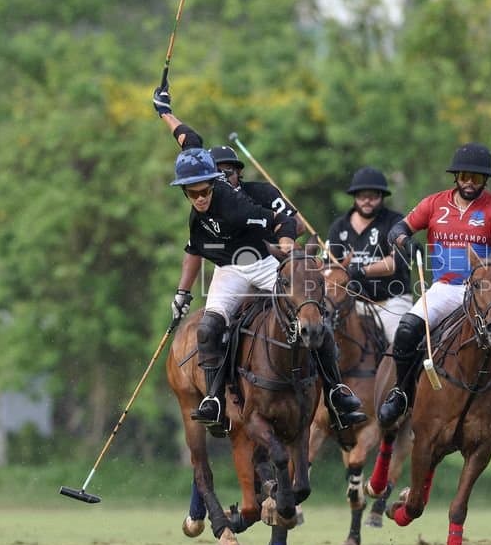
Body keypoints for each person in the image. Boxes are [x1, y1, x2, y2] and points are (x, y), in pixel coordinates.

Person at [154, 85, 367, 436]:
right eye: (192, 194)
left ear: (213, 182)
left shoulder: (238, 206)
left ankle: (336, 394)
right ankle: (215, 403)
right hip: (230, 269)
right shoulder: (196, 173)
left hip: (265, 263)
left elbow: (284, 221)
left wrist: (284, 246)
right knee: (208, 328)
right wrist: (163, 110)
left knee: (314, 315)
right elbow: (188, 138)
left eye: (205, 191)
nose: (200, 198)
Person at [376, 143, 491, 446]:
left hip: (485, 292)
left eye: (476, 178)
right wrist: (403, 241)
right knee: (408, 330)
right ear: (456, 177)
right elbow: (398, 229)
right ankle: (402, 392)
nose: (469, 182)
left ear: (485, 181)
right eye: (464, 176)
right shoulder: (434, 204)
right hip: (445, 288)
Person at [325, 167, 414, 347]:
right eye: (361, 196)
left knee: (402, 343)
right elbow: (329, 267)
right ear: (354, 197)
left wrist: (362, 271)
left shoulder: (394, 222)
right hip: (351, 305)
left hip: (389, 302)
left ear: (382, 197)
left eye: (372, 196)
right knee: (322, 337)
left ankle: (407, 376)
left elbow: (397, 261)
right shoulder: (339, 227)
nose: (367, 201)